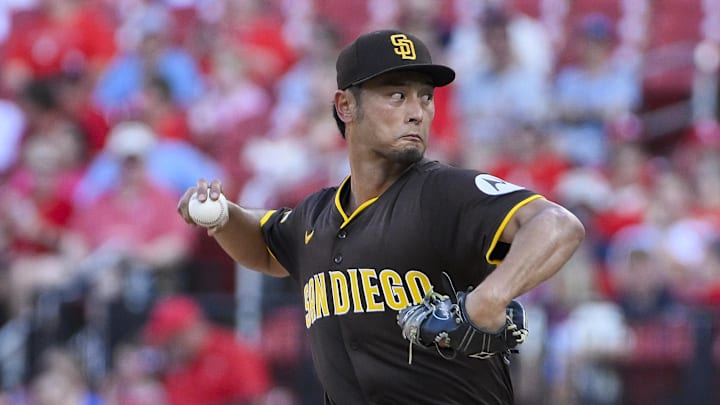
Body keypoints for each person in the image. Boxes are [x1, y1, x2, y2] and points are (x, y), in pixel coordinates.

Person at [177, 29, 585, 404]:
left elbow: (557, 224)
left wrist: (489, 298)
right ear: (345, 105)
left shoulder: (444, 192)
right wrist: (223, 215)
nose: (418, 112)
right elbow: (266, 247)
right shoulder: (316, 215)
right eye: (396, 95)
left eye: (425, 96)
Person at [142, 295, 271, 405]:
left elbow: (254, 398)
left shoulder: (234, 353)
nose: (170, 347)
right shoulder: (174, 364)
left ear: (192, 328)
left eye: (173, 339)